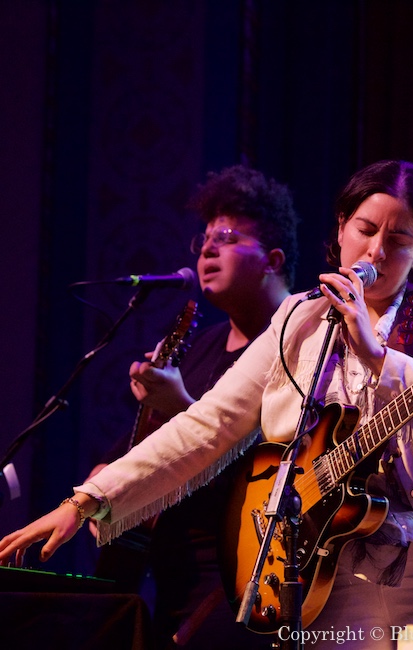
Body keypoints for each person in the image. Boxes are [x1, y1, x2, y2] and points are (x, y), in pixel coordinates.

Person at [0, 160, 413, 649]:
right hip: (335, 583)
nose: (376, 252)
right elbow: (207, 424)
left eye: (400, 239)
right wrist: (87, 500)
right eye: (365, 230)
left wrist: (378, 354)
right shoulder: (299, 320)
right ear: (340, 228)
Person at [88, 164, 298, 650]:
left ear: (272, 259)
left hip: (240, 584)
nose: (207, 248)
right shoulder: (199, 347)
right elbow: (137, 460)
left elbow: (280, 469)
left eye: (226, 236)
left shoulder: (301, 340)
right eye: (203, 238)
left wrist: (180, 405)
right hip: (170, 582)